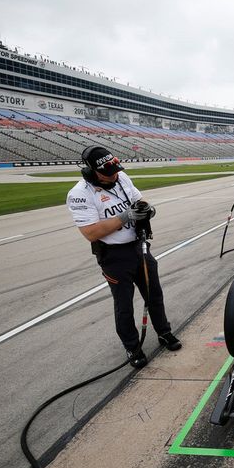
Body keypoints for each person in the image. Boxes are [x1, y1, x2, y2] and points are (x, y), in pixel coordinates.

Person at [67, 146, 181, 369]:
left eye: (116, 170)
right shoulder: (80, 194)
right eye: (107, 173)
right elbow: (91, 232)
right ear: (91, 172)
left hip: (139, 247)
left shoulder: (121, 177)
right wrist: (126, 216)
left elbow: (140, 200)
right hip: (114, 256)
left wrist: (147, 210)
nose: (114, 175)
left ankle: (164, 332)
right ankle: (132, 346)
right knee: (124, 305)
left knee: (154, 295)